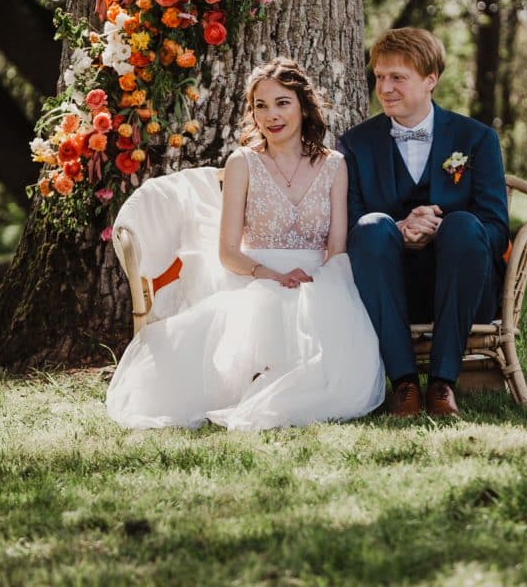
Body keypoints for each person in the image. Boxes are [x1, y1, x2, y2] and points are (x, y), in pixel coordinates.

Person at [107, 57, 385, 430]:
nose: (272, 115)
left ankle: (288, 384)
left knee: (322, 324)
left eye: (282, 102)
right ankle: (254, 383)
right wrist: (270, 275)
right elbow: (227, 252)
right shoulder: (243, 163)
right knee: (267, 306)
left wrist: (317, 281)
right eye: (261, 105)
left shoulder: (334, 164)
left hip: (318, 277)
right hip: (251, 276)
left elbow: (337, 248)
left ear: (303, 106)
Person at [338, 28, 509, 419]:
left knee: (466, 224)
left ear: (431, 79)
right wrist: (399, 228)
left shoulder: (476, 138)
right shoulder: (355, 144)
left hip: (462, 286)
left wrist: (440, 226)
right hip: (387, 288)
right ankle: (404, 385)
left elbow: (497, 229)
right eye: (380, 76)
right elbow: (347, 226)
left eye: (398, 77)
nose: (385, 87)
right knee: (369, 227)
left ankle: (443, 383)